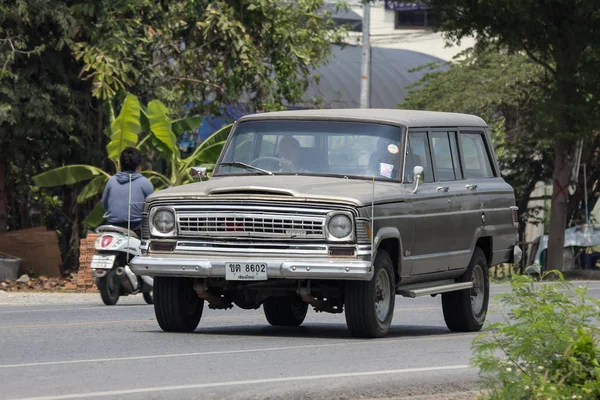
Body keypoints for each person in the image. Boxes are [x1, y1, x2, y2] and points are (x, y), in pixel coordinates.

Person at [101, 148, 154, 236]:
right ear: (139, 166)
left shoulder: (111, 181)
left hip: (112, 226)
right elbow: (152, 207)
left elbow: (104, 204)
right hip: (136, 227)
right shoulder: (145, 182)